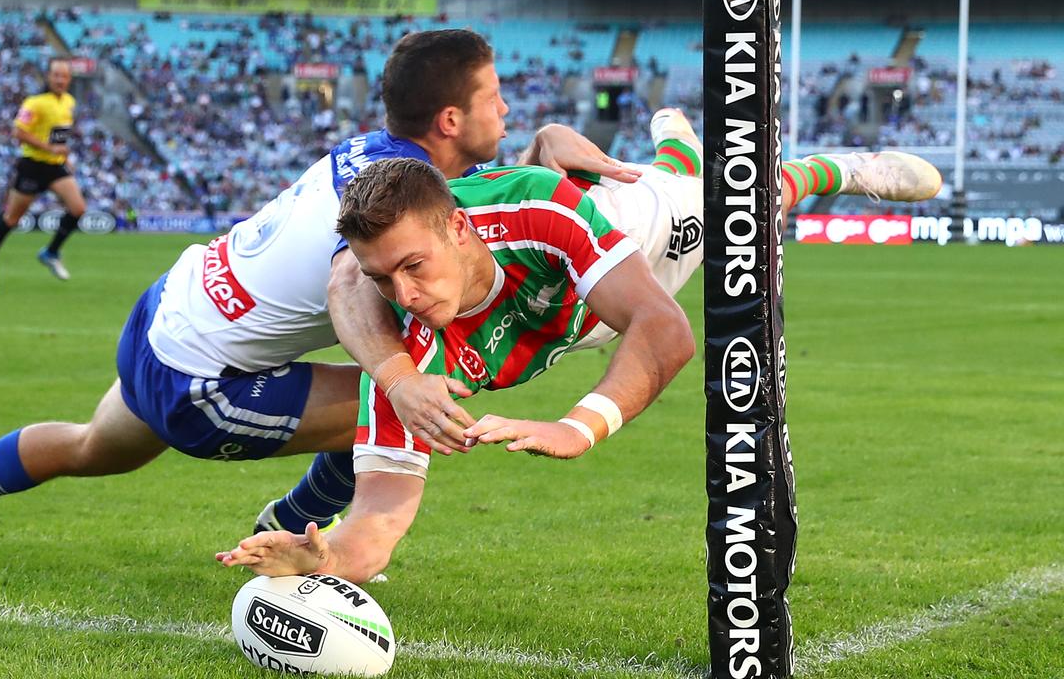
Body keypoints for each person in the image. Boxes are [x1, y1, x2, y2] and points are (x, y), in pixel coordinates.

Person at [0, 29, 634, 548]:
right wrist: (397, 380)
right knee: (415, 407)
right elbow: (347, 280)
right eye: (496, 96)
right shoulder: (410, 202)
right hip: (205, 382)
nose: (507, 107)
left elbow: (473, 190)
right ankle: (294, 529)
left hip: (166, 312)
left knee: (93, 446)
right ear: (450, 116)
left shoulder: (381, 158)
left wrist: (541, 147)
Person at [215, 109, 943, 583]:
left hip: (630, 238)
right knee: (689, 182)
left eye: (414, 267)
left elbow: (664, 331)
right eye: (385, 277)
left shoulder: (534, 207)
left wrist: (577, 425)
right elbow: (381, 519)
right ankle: (677, 150)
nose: (403, 294)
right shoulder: (402, 357)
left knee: (744, 203)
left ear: (460, 228)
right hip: (571, 318)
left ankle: (838, 167)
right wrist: (327, 557)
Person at [0, 57, 84, 288]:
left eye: (64, 76)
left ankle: (51, 252)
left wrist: (64, 157)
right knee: (12, 219)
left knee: (78, 208)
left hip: (55, 165)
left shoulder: (68, 102)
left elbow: (58, 135)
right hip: (32, 165)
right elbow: (18, 132)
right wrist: (50, 148)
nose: (60, 80)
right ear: (48, 77)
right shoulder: (35, 103)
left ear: (69, 79)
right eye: (56, 75)